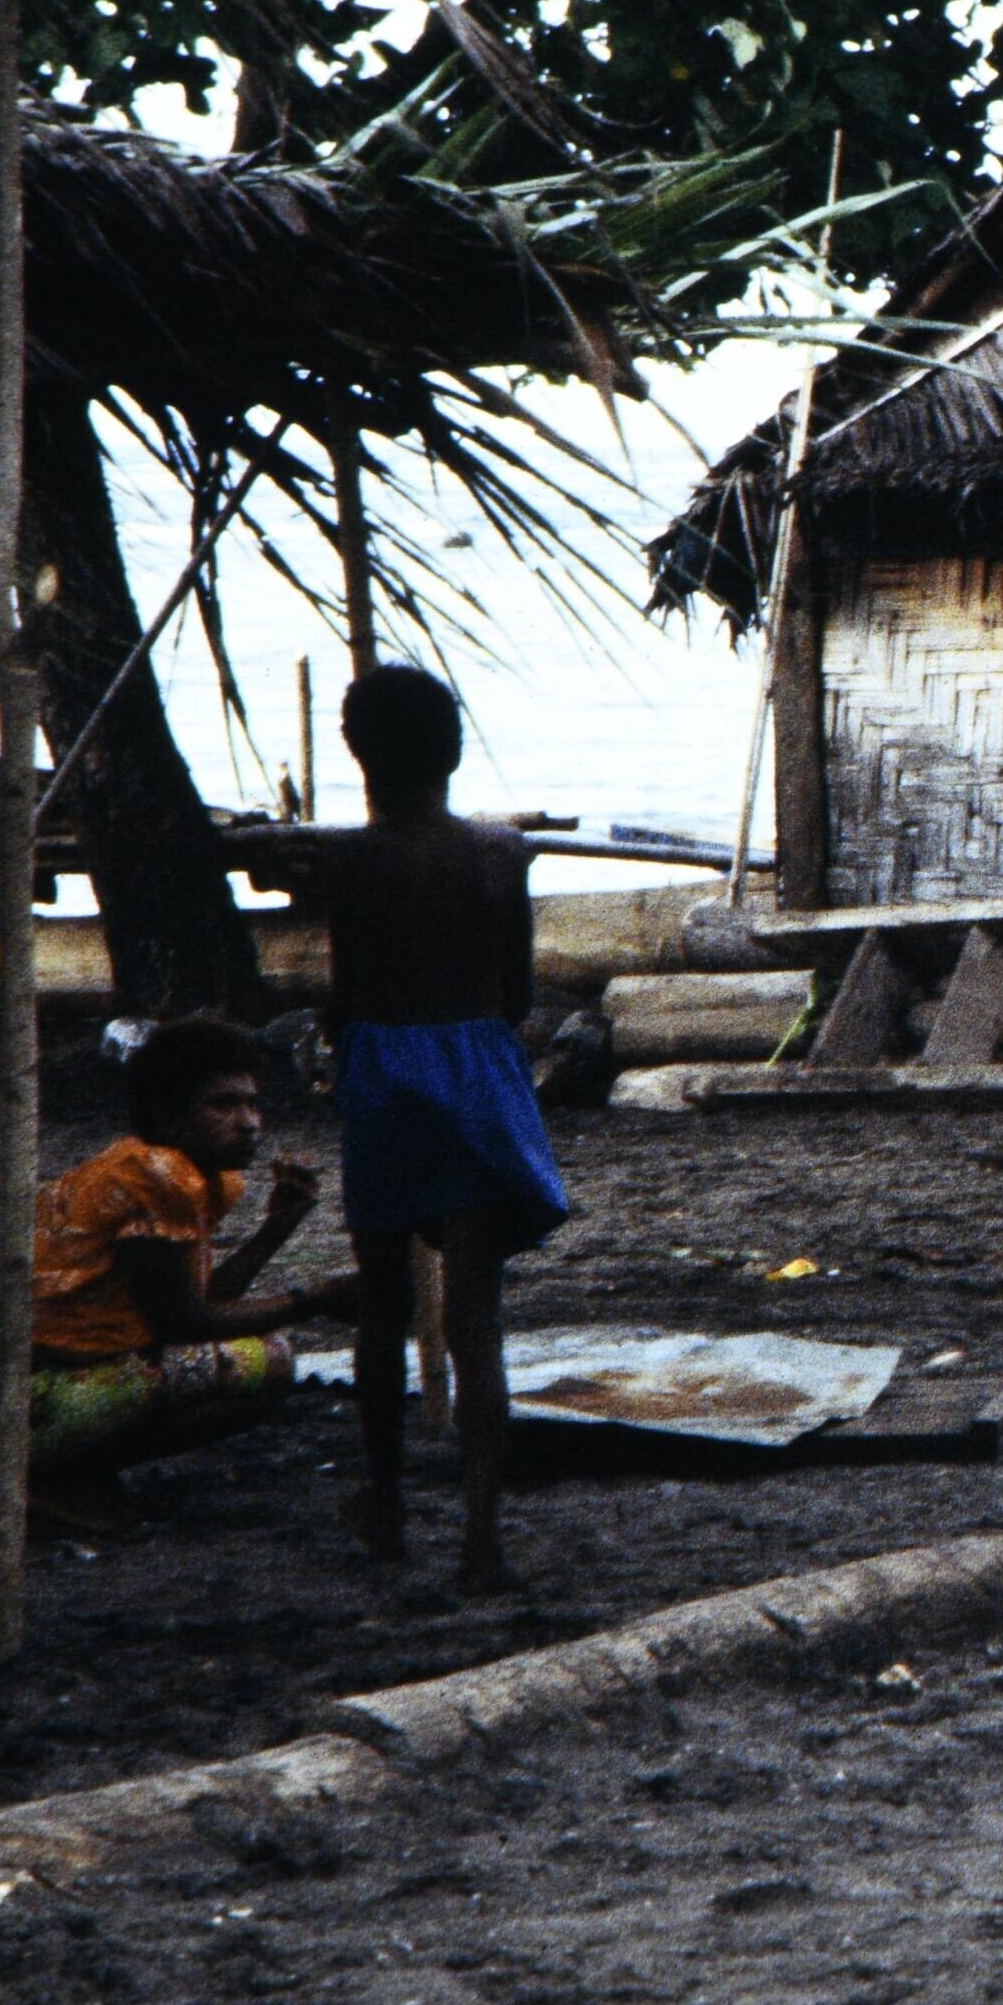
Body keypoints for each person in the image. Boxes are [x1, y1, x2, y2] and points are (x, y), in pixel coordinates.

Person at [326, 663, 574, 1591]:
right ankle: (481, 1538)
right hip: (474, 1072)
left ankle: (387, 1502)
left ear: (359, 754)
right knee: (477, 1320)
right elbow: (516, 993)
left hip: (385, 1074)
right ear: (454, 752)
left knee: (381, 1305)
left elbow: (348, 992)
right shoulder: (501, 854)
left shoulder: (349, 862)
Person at [0, 1013, 356, 1492]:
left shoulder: (203, 1176)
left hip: (37, 1373)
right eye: (224, 1105)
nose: (249, 1123)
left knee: (255, 1354)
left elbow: (198, 1298)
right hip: (13, 1395)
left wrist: (274, 1230)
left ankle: (67, 1477)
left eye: (252, 1103)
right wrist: (314, 1299)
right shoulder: (156, 1175)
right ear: (169, 1118)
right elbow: (183, 1322)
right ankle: (54, 1482)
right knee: (272, 1361)